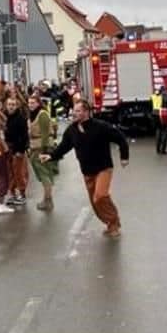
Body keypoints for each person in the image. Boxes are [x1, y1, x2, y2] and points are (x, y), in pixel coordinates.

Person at [41, 100, 129, 238]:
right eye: (74, 111)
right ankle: (110, 223)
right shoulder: (72, 130)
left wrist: (124, 157)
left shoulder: (100, 126)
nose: (74, 113)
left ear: (86, 112)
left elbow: (120, 138)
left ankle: (114, 223)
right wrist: (51, 156)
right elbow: (64, 147)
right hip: (87, 171)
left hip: (103, 168)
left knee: (100, 196)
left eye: (78, 111)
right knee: (95, 203)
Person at [27, 93, 57, 210]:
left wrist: (44, 150)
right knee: (42, 174)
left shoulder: (42, 114)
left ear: (39, 103)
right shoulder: (33, 115)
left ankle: (48, 200)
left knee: (44, 174)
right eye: (29, 103)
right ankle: (46, 199)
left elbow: (45, 133)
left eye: (33, 103)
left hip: (42, 147)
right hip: (35, 145)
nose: (31, 105)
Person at [4, 96, 29, 206]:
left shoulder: (20, 119)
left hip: (18, 149)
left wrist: (20, 150)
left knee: (19, 173)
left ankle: (22, 194)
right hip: (7, 149)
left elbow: (24, 136)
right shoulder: (4, 117)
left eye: (13, 105)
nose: (11, 107)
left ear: (17, 106)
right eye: (9, 104)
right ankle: (12, 194)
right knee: (9, 173)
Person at [152, 86, 167, 155]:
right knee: (165, 131)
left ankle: (158, 149)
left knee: (158, 130)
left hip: (155, 115)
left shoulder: (154, 96)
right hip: (164, 115)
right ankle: (163, 150)